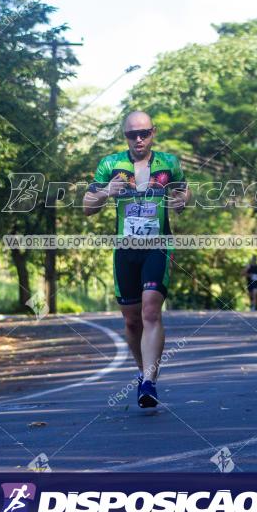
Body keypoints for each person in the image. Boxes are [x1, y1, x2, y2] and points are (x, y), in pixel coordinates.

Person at [82, 111, 190, 408]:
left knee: (151, 311)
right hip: (125, 250)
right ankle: (143, 372)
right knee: (131, 321)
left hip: (158, 245)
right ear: (124, 135)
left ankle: (149, 382)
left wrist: (182, 200)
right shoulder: (110, 164)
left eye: (144, 133)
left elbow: (183, 192)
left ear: (153, 132)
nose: (138, 139)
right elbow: (86, 207)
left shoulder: (169, 162)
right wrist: (106, 191)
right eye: (132, 134)